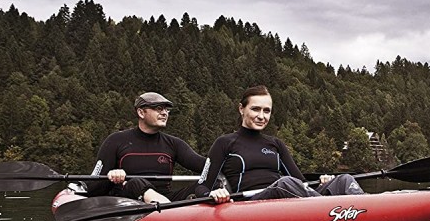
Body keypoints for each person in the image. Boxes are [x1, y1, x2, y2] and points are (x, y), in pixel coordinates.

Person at [196, 85, 364, 203]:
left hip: (284, 200)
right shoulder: (224, 143)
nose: (261, 116)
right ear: (241, 109)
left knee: (344, 179)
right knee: (285, 183)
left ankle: (366, 209)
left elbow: (300, 182)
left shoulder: (276, 144)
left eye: (266, 111)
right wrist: (214, 194)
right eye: (255, 109)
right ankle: (335, 211)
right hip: (250, 205)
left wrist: (322, 180)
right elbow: (202, 186)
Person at [88, 92, 207, 204]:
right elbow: (95, 184)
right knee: (136, 182)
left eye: (167, 109)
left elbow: (207, 166)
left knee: (207, 184)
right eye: (158, 109)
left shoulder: (174, 143)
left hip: (166, 200)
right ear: (141, 112)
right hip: (128, 202)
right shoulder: (116, 140)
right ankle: (167, 209)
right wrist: (112, 175)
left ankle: (167, 208)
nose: (165, 113)